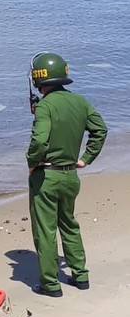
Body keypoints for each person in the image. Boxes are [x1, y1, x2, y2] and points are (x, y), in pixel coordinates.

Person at [26, 52, 107, 297]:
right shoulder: (80, 101)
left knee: (45, 230)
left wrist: (32, 161)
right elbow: (100, 130)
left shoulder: (44, 106)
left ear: (39, 78)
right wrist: (85, 159)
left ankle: (51, 284)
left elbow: (39, 141)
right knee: (69, 224)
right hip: (71, 175)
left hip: (47, 175)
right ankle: (81, 275)